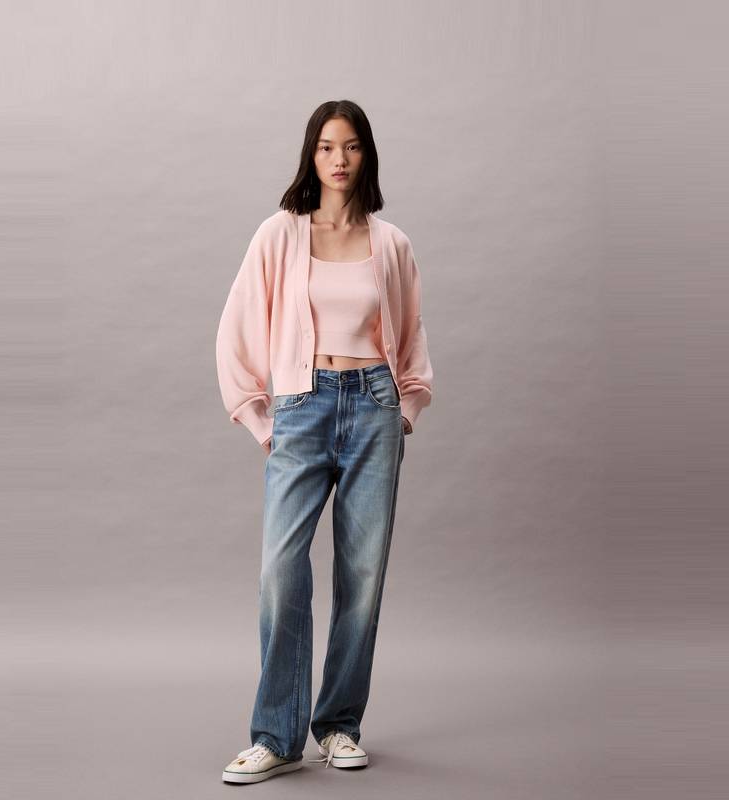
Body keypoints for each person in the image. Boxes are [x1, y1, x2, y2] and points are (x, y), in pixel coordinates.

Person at [216, 100, 434, 784]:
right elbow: (236, 329)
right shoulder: (279, 234)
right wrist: (262, 420)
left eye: (352, 146)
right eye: (326, 147)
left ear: (367, 155)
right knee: (281, 572)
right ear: (310, 156)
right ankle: (277, 736)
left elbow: (412, 340)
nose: (339, 159)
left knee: (362, 577)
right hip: (301, 409)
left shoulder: (391, 244)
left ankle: (339, 724)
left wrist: (403, 411)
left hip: (373, 409)